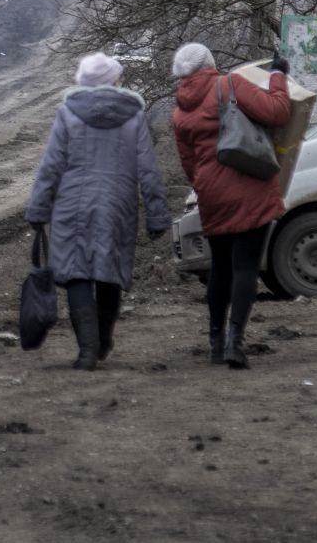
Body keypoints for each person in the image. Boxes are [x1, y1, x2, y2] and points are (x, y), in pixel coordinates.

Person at [26, 53, 172, 370]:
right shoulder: (134, 116)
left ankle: (87, 351)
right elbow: (147, 168)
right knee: (109, 273)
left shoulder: (68, 113)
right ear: (112, 81)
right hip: (118, 206)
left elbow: (51, 165)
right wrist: (157, 212)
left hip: (72, 205)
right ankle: (103, 340)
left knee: (77, 274)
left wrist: (38, 208)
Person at [170, 43, 292, 369]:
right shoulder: (229, 85)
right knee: (245, 266)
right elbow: (278, 111)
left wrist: (206, 185)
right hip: (249, 184)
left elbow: (189, 163)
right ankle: (234, 344)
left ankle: (215, 342)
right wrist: (278, 75)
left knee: (220, 268)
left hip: (212, 194)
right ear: (208, 63)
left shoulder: (180, 112)